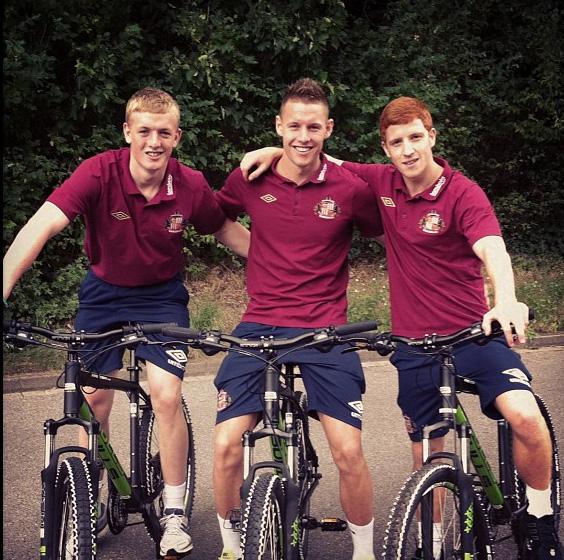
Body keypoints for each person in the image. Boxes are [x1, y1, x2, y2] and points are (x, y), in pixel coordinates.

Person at [240, 96, 562, 560]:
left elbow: (493, 248)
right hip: (415, 346)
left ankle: (539, 516)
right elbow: (315, 155)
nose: (408, 150)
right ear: (386, 149)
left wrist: (507, 298)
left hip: (474, 333)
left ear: (431, 136)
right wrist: (272, 153)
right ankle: (430, 544)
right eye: (397, 142)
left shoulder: (462, 193)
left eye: (415, 137)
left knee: (525, 416)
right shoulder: (381, 182)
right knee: (427, 456)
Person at [3, 87, 250, 559]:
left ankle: (174, 511)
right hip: (104, 294)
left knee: (166, 393)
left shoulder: (189, 184)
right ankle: (87, 496)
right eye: (144, 131)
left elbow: (225, 230)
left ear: (176, 136)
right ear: (127, 133)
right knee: (92, 396)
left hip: (161, 298)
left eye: (163, 132)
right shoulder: (100, 172)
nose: (153, 141)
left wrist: (286, 273)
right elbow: (41, 225)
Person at [212, 78, 383, 560]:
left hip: (327, 329)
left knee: (347, 450)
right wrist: (257, 253)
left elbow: (390, 237)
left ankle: (364, 551)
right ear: (278, 126)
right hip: (260, 323)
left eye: (313, 127)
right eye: (293, 126)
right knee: (226, 442)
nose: (302, 136)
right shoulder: (250, 177)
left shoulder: (351, 189)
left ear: (328, 128)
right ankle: (229, 547)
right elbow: (213, 217)